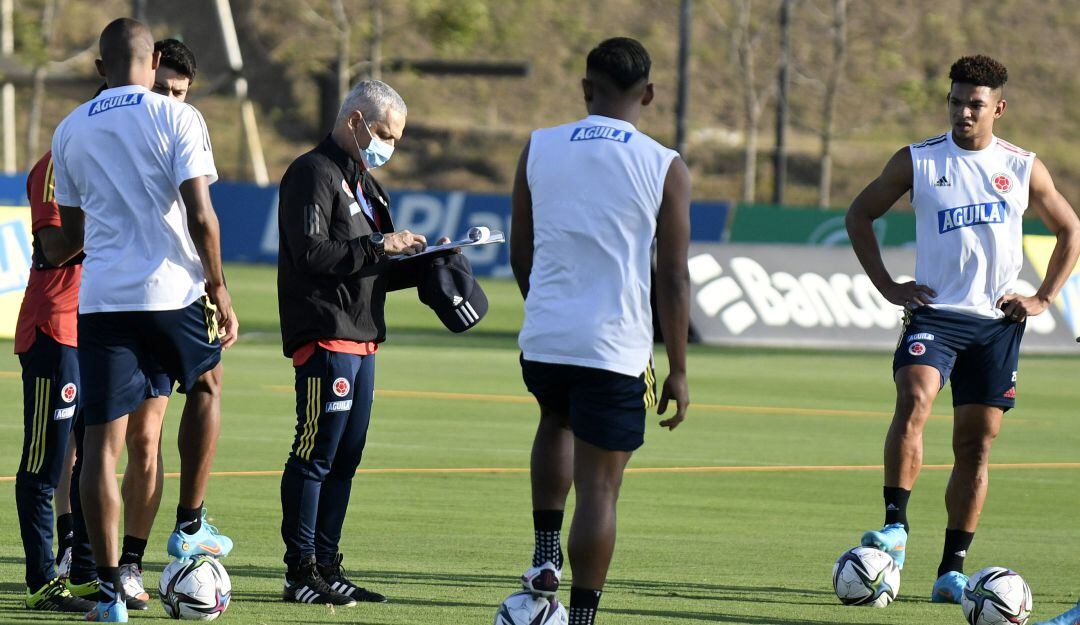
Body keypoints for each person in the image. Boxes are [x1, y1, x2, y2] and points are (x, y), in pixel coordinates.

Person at [845, 55, 1080, 603]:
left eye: (974, 104)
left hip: (997, 324)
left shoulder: (1023, 167)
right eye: (955, 101)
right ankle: (896, 528)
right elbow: (859, 214)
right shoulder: (918, 160)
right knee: (914, 395)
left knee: (975, 446)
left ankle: (951, 570)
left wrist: (1043, 297)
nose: (962, 112)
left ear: (998, 108)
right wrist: (886, 285)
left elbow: (1070, 228)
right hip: (935, 314)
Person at [51, 18, 238, 622]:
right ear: (153, 59)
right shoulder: (179, 117)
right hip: (175, 291)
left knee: (100, 449)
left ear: (99, 67)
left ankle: (110, 593)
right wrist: (219, 287)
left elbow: (74, 236)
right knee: (206, 383)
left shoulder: (69, 129)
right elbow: (202, 217)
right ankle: (189, 525)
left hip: (104, 301)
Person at [509, 37, 691, 625]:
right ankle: (583, 617)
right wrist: (680, 370)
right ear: (650, 94)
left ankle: (543, 555)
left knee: (553, 420)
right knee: (600, 491)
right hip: (615, 346)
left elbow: (521, 249)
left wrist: (542, 309)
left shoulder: (538, 146)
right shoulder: (663, 163)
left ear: (586, 88)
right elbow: (672, 277)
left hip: (545, 339)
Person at [16, 38, 199, 612]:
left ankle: (112, 567)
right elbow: (52, 246)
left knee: (127, 443)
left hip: (122, 316)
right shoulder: (61, 155)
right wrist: (118, 217)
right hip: (59, 323)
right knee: (54, 456)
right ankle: (52, 571)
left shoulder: (154, 140)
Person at [276, 79, 428, 607]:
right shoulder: (312, 172)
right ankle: (300, 572)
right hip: (325, 333)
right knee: (315, 453)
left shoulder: (364, 182)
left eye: (397, 138)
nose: (390, 146)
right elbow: (312, 253)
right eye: (385, 133)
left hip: (362, 337)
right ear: (357, 121)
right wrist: (378, 244)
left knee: (345, 457)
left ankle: (327, 563)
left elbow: (372, 265)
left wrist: (429, 263)